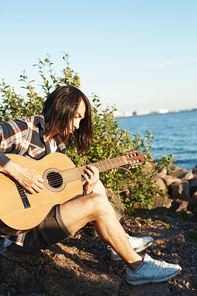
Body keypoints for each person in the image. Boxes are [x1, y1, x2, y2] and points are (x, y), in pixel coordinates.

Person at [0, 85, 181, 286]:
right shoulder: (25, 129)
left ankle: (119, 242)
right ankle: (137, 267)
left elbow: (54, 198)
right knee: (97, 202)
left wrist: (86, 191)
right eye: (76, 116)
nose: (78, 125)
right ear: (60, 105)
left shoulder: (57, 145)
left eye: (81, 119)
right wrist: (15, 169)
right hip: (18, 232)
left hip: (37, 218)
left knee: (94, 185)